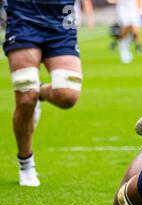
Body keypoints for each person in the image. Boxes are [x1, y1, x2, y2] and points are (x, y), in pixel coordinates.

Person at [3, 0, 83, 187]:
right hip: (23, 15)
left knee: (67, 96)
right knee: (25, 97)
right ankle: (26, 163)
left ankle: (38, 91)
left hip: (61, 18)